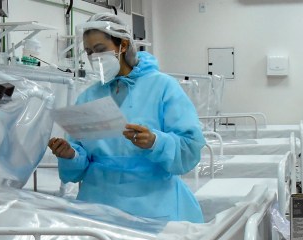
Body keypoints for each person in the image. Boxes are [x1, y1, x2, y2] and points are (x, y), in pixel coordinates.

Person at [46, 13, 205, 223]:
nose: (94, 57)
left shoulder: (162, 87)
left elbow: (190, 146)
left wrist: (155, 142)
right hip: (98, 204)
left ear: (123, 45)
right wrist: (70, 155)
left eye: (100, 49)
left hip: (153, 203)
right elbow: (79, 162)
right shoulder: (89, 96)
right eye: (89, 52)